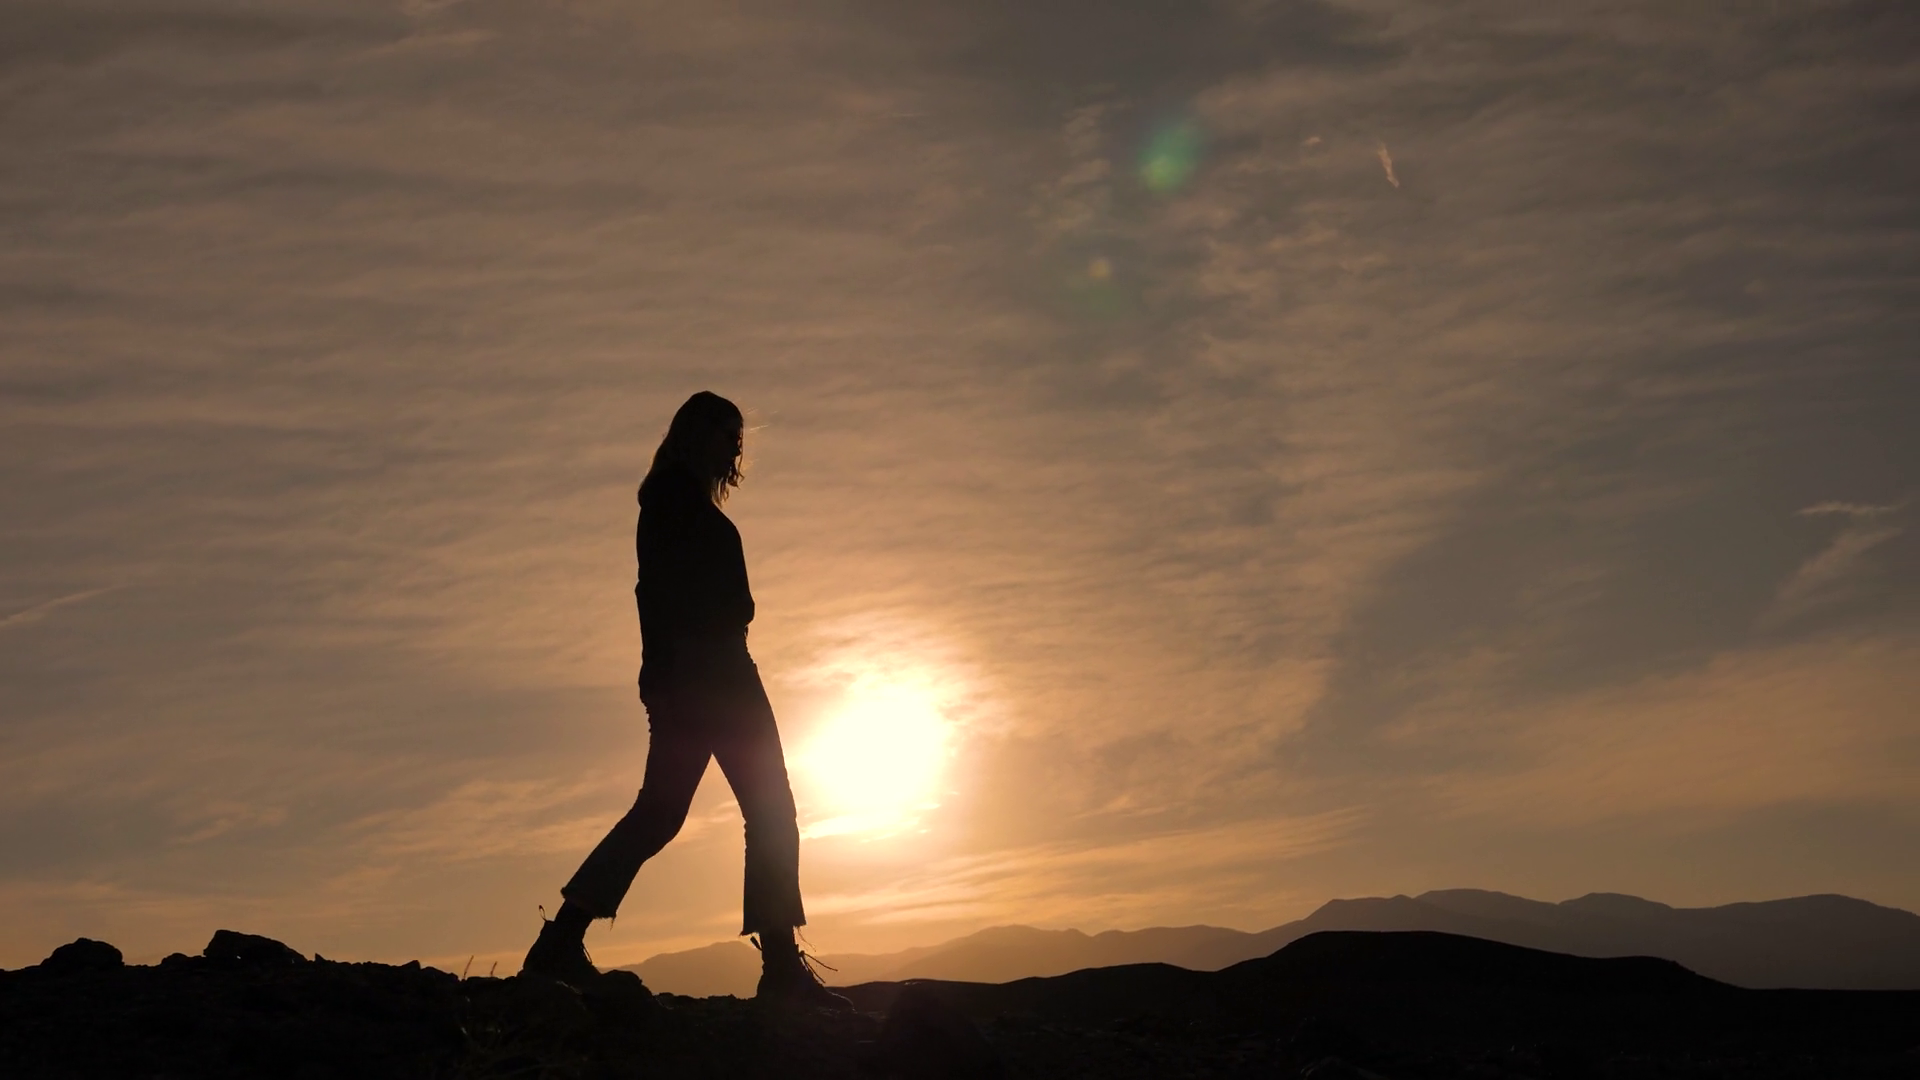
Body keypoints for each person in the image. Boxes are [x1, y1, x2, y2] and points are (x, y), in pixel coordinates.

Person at [521, 391, 848, 1009]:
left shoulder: (671, 502)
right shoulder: (675, 503)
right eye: (727, 435)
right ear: (696, 434)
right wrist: (674, 665)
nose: (735, 448)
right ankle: (779, 966)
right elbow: (660, 594)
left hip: (691, 675)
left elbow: (656, 594)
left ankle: (560, 942)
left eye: (739, 438)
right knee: (771, 812)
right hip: (717, 674)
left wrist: (660, 677)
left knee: (662, 812)